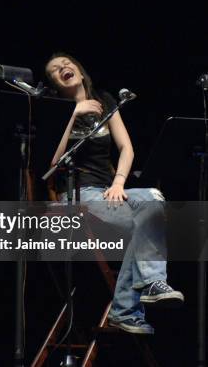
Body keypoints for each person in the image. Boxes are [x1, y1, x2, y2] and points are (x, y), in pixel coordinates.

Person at [44, 52, 183, 334]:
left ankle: (141, 295)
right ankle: (129, 307)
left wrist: (119, 183)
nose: (63, 68)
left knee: (154, 199)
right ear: (55, 84)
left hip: (110, 191)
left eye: (67, 63)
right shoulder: (56, 108)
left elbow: (127, 148)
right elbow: (53, 161)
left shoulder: (106, 101)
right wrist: (74, 112)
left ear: (80, 72)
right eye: (55, 70)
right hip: (77, 196)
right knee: (145, 222)